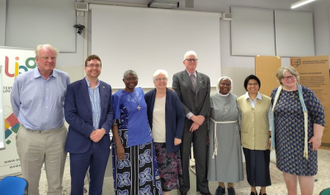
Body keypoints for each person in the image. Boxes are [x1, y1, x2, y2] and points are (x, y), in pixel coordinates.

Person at [10, 44, 70, 195]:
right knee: (30, 184)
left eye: (53, 57)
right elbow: (15, 105)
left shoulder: (64, 78)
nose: (50, 60)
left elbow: (67, 103)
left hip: (57, 136)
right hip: (29, 137)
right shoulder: (22, 79)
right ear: (37, 59)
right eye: (45, 57)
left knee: (56, 185)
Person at [270, 66, 325, 195]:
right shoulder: (275, 93)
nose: (290, 79)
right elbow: (270, 115)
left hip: (304, 143)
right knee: (288, 174)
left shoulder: (307, 93)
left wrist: (317, 137)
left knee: (306, 172)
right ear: (280, 79)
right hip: (284, 143)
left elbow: (319, 114)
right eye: (286, 77)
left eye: (292, 76)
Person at [64, 55, 113, 195]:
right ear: (85, 68)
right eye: (91, 65)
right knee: (77, 183)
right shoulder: (73, 88)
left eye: (97, 65)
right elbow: (70, 115)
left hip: (101, 143)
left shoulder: (106, 88)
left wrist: (103, 130)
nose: (94, 68)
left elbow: (110, 112)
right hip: (79, 143)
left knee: (97, 183)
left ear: (100, 68)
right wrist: (91, 131)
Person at [112, 70, 162, 195]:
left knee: (145, 172)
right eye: (128, 79)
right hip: (126, 140)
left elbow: (155, 95)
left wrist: (168, 90)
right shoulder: (118, 96)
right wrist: (118, 144)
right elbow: (114, 122)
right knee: (127, 172)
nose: (131, 81)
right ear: (123, 81)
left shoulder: (140, 91)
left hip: (145, 139)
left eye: (134, 78)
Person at [172, 50, 211, 195]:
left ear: (197, 61)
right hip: (185, 124)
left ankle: (203, 187)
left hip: (201, 124)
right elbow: (177, 99)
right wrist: (192, 117)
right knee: (183, 157)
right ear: (184, 62)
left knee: (202, 157)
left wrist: (200, 118)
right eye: (189, 60)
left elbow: (207, 99)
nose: (192, 62)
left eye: (194, 59)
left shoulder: (205, 78)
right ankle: (184, 188)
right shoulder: (177, 77)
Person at [145, 69, 185, 195]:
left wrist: (178, 135)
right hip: (153, 141)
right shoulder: (148, 96)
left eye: (164, 79)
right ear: (154, 82)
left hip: (169, 141)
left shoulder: (172, 96)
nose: (161, 81)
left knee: (167, 173)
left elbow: (181, 115)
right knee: (154, 170)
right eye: (159, 79)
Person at [208, 76, 243, 195]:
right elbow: (208, 116)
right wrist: (208, 135)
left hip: (233, 132)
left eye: (228, 84)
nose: (225, 86)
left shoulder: (236, 98)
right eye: (223, 84)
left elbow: (240, 116)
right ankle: (221, 185)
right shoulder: (211, 98)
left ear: (231, 86)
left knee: (232, 159)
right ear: (218, 85)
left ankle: (231, 186)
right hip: (217, 132)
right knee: (219, 159)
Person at [237, 75, 272, 195]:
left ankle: (263, 190)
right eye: (250, 84)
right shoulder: (240, 100)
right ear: (246, 86)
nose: (252, 86)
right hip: (247, 138)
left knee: (263, 165)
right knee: (250, 165)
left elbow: (270, 119)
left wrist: (271, 137)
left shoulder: (267, 100)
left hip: (263, 138)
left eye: (255, 84)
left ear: (259, 86)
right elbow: (239, 120)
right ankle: (252, 188)